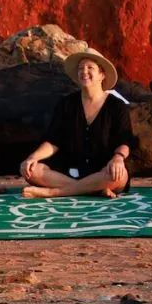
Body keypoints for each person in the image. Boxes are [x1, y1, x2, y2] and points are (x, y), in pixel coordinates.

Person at [20, 49, 133, 199]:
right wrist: (33, 158)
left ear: (102, 75)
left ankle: (55, 192)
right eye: (80, 68)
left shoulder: (117, 106)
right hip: (70, 172)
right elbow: (54, 140)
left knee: (119, 176)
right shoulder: (67, 104)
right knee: (29, 169)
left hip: (103, 172)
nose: (84, 71)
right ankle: (94, 190)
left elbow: (124, 140)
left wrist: (118, 158)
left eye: (90, 68)